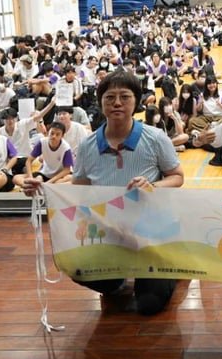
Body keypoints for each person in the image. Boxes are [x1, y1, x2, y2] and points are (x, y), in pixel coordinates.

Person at [24, 70, 184, 316]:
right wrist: (44, 189)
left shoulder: (156, 138)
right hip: (108, 231)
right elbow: (80, 189)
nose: (117, 103)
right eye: (110, 97)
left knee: (148, 306)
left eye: (124, 96)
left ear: (136, 101)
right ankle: (116, 278)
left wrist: (153, 186)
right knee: (78, 269)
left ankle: (172, 266)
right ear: (100, 102)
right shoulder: (88, 145)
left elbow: (177, 177)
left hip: (151, 234)